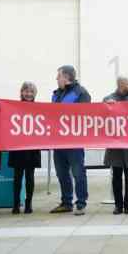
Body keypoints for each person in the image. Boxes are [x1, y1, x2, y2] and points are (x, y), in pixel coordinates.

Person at [50, 65, 91, 216]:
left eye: (58, 76)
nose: (56, 79)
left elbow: (85, 114)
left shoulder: (81, 93)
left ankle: (81, 203)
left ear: (66, 77)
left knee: (78, 172)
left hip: (74, 141)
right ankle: (66, 202)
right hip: (58, 141)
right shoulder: (56, 94)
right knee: (61, 173)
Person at [103, 76, 128, 215]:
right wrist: (107, 107)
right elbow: (102, 119)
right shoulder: (108, 99)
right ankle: (118, 205)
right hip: (115, 146)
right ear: (121, 85)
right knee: (116, 176)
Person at [9, 82, 41, 214]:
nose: (28, 94)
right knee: (17, 177)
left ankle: (28, 204)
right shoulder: (13, 107)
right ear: (21, 92)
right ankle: (16, 204)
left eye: (31, 92)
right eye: (26, 91)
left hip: (32, 147)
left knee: (30, 176)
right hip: (18, 147)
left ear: (35, 94)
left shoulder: (39, 108)